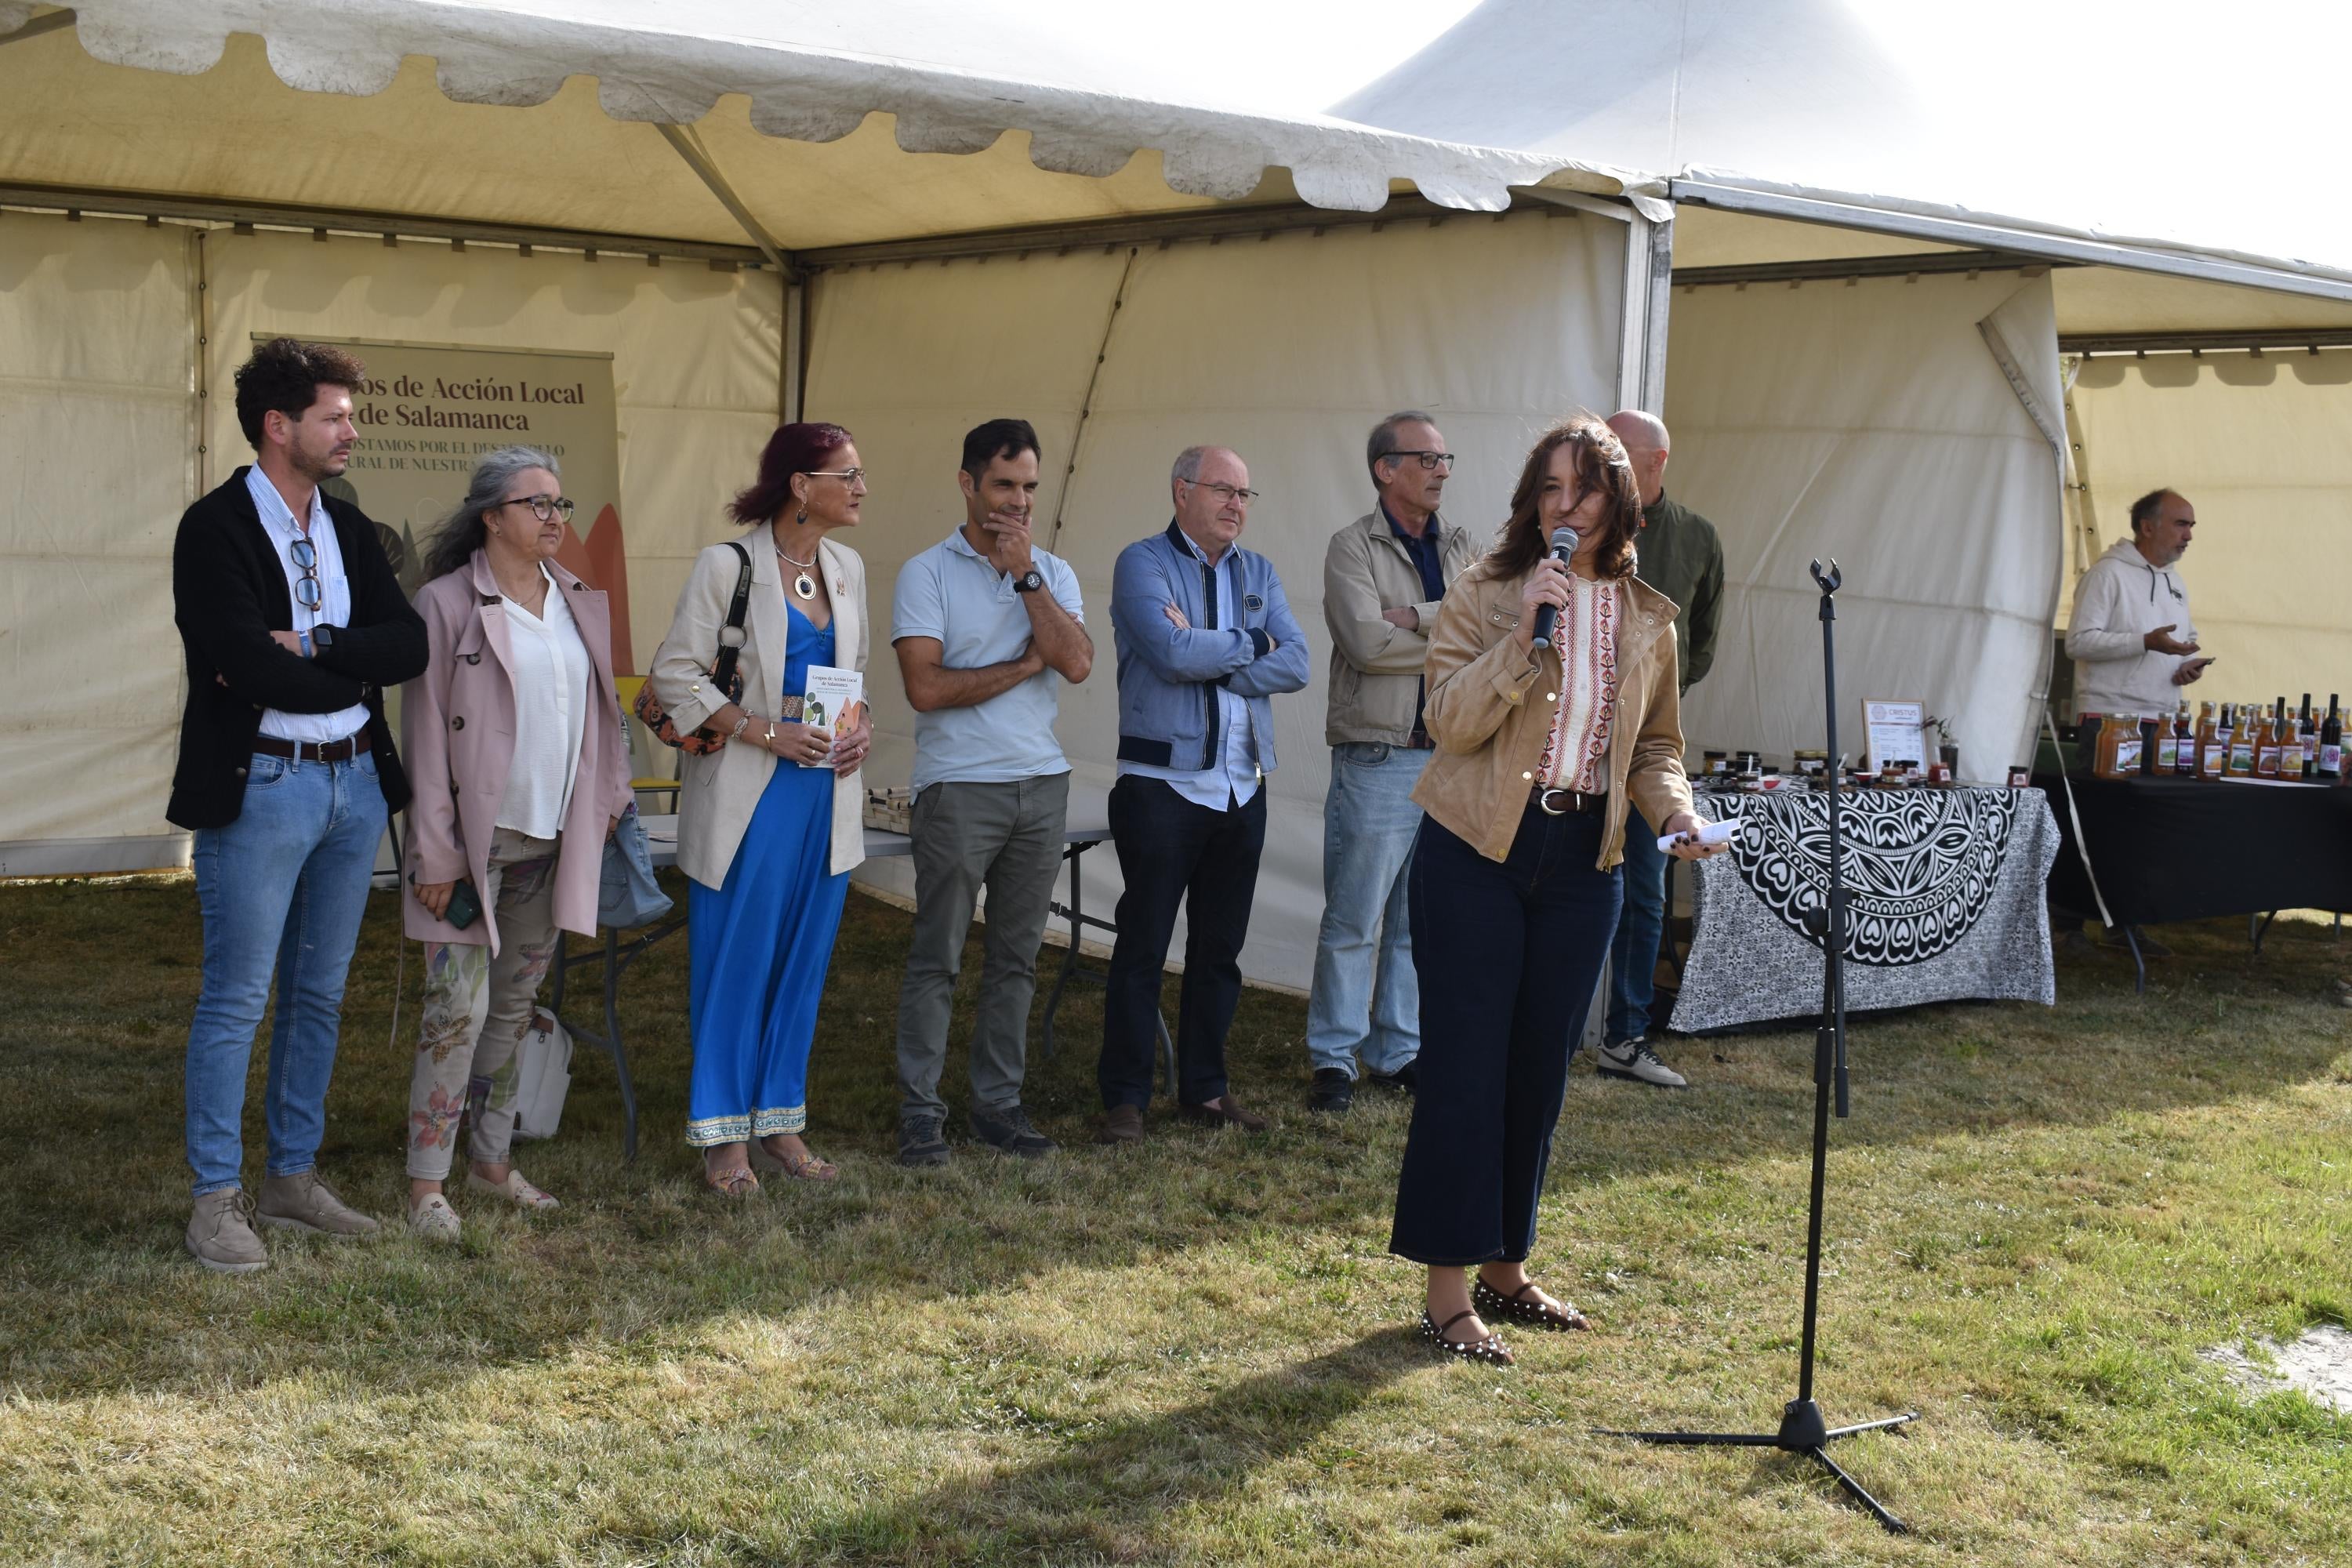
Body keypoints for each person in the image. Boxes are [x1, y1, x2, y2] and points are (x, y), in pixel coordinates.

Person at [1389, 415, 1725, 1364]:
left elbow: (1657, 748)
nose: (1562, 506)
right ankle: (1446, 1290)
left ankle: (1506, 1264)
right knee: (1466, 1065)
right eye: (1549, 488)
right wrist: (1524, 637)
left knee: (1539, 1066)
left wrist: (1674, 817)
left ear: (1619, 501)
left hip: (1587, 862)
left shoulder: (1648, 617)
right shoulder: (1491, 591)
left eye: (1581, 489)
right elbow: (1447, 721)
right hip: (1477, 850)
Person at [169, 338, 428, 1273]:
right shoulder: (215, 528)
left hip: (354, 784)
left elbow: (408, 647)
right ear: (280, 427)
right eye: (335, 414)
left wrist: (319, 645)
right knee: (237, 995)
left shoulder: (349, 528)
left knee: (317, 993)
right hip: (264, 783)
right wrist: (339, 669)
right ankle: (214, 1198)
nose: (351, 428)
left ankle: (290, 1177)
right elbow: (240, 658)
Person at [399, 448, 633, 1241]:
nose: (556, 517)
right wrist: (434, 852)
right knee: (454, 1012)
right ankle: (427, 1182)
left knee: (513, 1007)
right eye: (537, 503)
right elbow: (425, 733)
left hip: (552, 840)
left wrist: (610, 798)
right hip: (471, 849)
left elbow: (604, 712)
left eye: (562, 503)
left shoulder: (579, 600)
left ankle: (490, 1163)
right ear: (491, 516)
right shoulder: (444, 603)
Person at [648, 423, 873, 1196]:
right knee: (738, 961)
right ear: (801, 486)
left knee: (802, 962)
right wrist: (764, 730)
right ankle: (721, 1139)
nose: (862, 487)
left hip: (826, 795)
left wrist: (859, 727)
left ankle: (778, 1119)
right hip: (753, 792)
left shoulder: (847, 567)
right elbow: (676, 675)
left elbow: (854, 673)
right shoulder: (729, 565)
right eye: (848, 474)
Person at [890, 418, 1093, 1167]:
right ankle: (920, 1113)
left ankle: (999, 1106)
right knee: (937, 955)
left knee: (1017, 956)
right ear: (968, 482)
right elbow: (926, 687)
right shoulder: (927, 573)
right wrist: (1019, 665)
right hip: (958, 787)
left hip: (1040, 784)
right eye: (1004, 485)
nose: (1018, 502)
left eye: (1029, 488)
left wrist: (1026, 575)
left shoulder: (1051, 572)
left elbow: (1074, 663)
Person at [1097, 446, 1310, 1144]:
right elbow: (1168, 652)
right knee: (1143, 946)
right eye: (1224, 490)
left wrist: (1218, 656)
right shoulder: (1144, 562)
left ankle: (1205, 1091)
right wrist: (1254, 643)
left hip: (1242, 786)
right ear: (1181, 490)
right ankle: (1124, 1097)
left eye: (1247, 495)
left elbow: (1299, 661)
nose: (1237, 506)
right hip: (1163, 785)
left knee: (1219, 950)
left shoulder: (1260, 571)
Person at [1305, 411, 1481, 1115]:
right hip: (1378, 757)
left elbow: (1490, 633)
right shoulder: (1351, 547)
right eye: (1427, 459)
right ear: (1386, 469)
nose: (1442, 470)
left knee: (1418, 922)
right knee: (1355, 919)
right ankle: (1333, 1059)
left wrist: (1414, 614)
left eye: (1445, 460)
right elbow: (1367, 645)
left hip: (1447, 757)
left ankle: (1396, 1050)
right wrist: (1447, 623)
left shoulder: (1465, 544)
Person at [1596, 408, 1725, 1090]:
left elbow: (1701, 643)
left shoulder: (1698, 538)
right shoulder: (1584, 523)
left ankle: (1625, 1035)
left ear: (1657, 461)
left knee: (1644, 896)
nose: (1605, 459)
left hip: (1647, 749)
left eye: (1619, 449)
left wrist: (1652, 693)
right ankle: (1555, 1035)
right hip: (1575, 750)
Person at [2065, 488, 2209, 719]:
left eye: (2191, 526)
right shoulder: (2106, 574)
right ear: (2148, 528)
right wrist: (2144, 642)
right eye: (2181, 524)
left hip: (2165, 717)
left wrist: (2187, 664)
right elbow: (2077, 642)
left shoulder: (2175, 581)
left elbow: (2187, 638)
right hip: (2110, 717)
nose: (2188, 536)